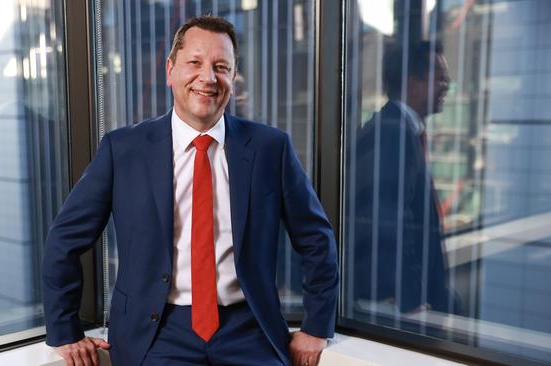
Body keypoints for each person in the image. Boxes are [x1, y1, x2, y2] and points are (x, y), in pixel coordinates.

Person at [42, 16, 339, 366]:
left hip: (249, 329)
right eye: (194, 63)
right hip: (156, 331)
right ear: (170, 71)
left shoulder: (271, 148)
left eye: (221, 66)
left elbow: (316, 239)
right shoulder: (122, 150)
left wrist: (316, 327)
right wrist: (66, 330)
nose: (208, 77)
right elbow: (65, 239)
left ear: (233, 76)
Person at [352, 41, 462, 316]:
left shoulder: (399, 129)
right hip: (397, 301)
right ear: (411, 82)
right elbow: (387, 220)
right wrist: (408, 298)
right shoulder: (392, 133)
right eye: (439, 76)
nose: (447, 84)